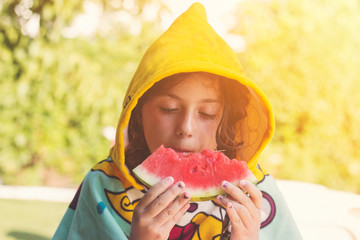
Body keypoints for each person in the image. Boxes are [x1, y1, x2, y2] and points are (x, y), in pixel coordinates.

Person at [53, 3, 302, 240]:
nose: (186, 128)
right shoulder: (102, 186)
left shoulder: (256, 193)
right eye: (169, 109)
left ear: (226, 118)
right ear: (137, 111)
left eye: (206, 113)